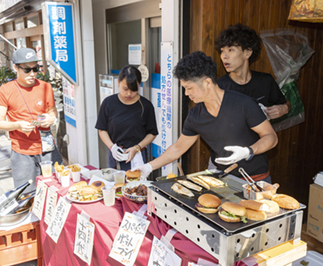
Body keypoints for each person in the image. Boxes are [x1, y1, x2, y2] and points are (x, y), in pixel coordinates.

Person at [133, 51, 278, 183]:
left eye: (189, 88)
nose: (186, 93)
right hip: (224, 181)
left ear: (207, 83)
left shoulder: (243, 104)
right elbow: (178, 148)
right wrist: (148, 167)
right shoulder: (196, 115)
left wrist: (248, 151)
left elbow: (271, 137)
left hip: (256, 180)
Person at [0, 48, 63, 192]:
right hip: (22, 151)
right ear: (15, 67)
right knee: (26, 194)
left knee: (56, 189)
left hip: (48, 147)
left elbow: (52, 111)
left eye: (35, 69)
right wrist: (18, 125)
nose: (32, 74)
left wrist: (51, 119)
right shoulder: (5, 91)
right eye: (27, 70)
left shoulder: (46, 87)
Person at [215, 23, 290, 120]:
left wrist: (285, 108)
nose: (224, 56)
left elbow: (285, 103)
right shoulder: (219, 87)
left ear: (247, 53)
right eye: (222, 51)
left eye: (230, 50)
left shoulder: (265, 81)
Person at [95, 65, 158, 171]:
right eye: (125, 89)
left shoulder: (145, 106)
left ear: (139, 85)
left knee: (136, 186)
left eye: (134, 90)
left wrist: (137, 147)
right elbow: (102, 129)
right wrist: (112, 147)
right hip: (115, 154)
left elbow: (152, 133)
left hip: (137, 155)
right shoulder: (108, 103)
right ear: (118, 83)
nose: (129, 94)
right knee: (115, 185)